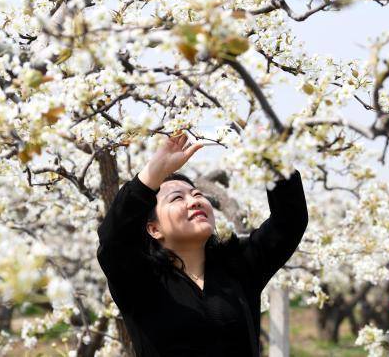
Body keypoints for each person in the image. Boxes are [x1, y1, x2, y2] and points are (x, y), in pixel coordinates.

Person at [96, 132, 308, 357]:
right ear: (154, 229)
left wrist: (272, 159)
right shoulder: (140, 281)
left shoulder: (238, 266)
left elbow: (289, 221)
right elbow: (112, 241)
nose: (194, 200)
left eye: (197, 194)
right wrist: (152, 174)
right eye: (177, 198)